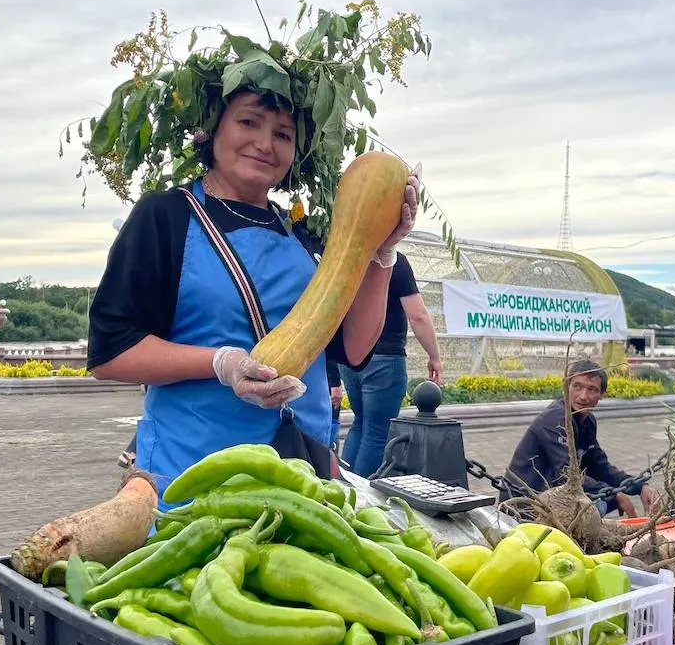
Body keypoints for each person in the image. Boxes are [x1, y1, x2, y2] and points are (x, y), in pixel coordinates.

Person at [88, 88, 420, 509]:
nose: (265, 144)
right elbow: (111, 353)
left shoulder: (301, 232)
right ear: (211, 131)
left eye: (283, 134)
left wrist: (381, 252)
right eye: (248, 122)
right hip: (196, 478)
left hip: (302, 475)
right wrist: (220, 363)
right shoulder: (166, 216)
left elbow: (353, 349)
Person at [500, 359, 659, 517]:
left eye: (592, 389)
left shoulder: (587, 420)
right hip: (524, 505)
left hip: (552, 497)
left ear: (601, 394)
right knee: (602, 503)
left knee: (607, 499)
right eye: (577, 386)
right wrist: (614, 495)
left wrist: (640, 486)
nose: (583, 396)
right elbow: (566, 475)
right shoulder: (556, 419)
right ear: (566, 387)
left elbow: (599, 466)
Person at [339, 252, 441, 478]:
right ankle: (362, 494)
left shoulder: (350, 255)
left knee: (360, 422)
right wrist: (434, 356)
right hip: (385, 359)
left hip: (350, 358)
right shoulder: (394, 260)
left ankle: (344, 483)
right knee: (377, 431)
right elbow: (418, 316)